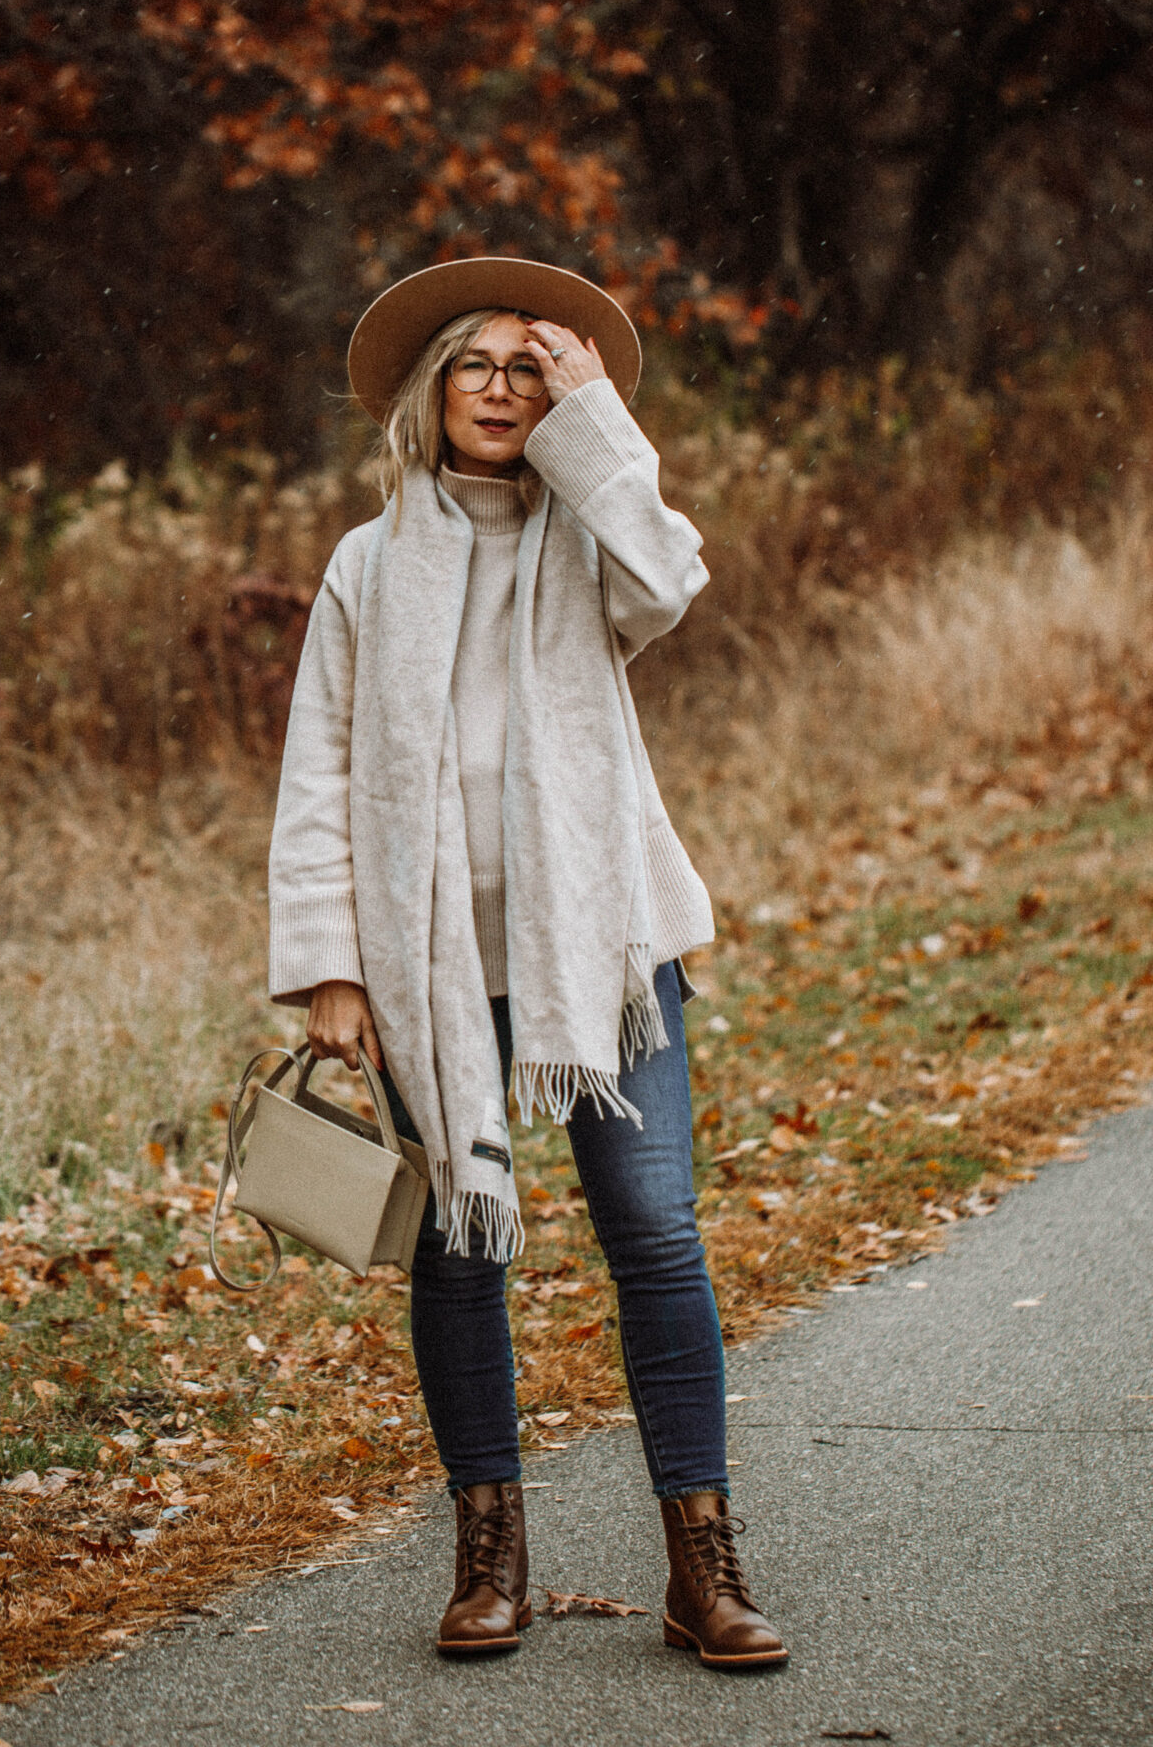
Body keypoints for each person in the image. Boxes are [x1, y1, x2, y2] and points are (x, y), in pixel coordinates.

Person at [267, 257, 786, 1670]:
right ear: (428, 394)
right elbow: (320, 771)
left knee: (658, 1234)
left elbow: (672, 577)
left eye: (527, 368)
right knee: (458, 1242)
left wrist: (596, 420)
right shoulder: (369, 564)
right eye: (475, 366)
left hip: (599, 948)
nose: (500, 388)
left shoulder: (589, 537)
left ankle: (703, 1562)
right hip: (428, 962)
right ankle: (490, 1555)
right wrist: (329, 964)